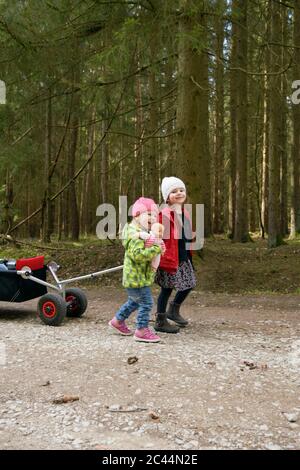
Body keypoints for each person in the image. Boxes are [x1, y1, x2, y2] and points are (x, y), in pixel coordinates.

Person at [109, 197, 164, 343]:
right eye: (149, 214)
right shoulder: (134, 234)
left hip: (138, 276)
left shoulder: (141, 231)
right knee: (146, 302)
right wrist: (156, 248)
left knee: (134, 301)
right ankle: (141, 330)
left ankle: (117, 321)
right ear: (137, 215)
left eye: (154, 215)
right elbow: (138, 255)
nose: (153, 218)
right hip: (136, 277)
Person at [154, 177, 196, 334]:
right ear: (167, 196)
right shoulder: (163, 214)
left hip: (184, 257)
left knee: (189, 283)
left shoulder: (185, 212)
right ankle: (160, 319)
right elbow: (157, 235)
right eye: (174, 191)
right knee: (167, 288)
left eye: (181, 190)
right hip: (169, 258)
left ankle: (173, 310)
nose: (179, 193)